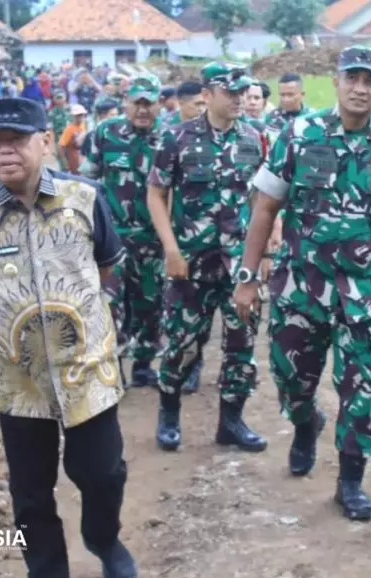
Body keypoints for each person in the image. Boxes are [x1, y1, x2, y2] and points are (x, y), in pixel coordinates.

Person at [0, 97, 137, 578]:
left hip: (87, 368)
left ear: (45, 142)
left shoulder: (85, 197)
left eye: (18, 140)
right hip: (17, 379)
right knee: (30, 489)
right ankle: (46, 570)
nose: (6, 151)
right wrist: (6, 317)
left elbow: (108, 264)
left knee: (103, 474)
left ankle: (104, 540)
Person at [234, 46, 371, 522]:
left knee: (362, 389)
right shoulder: (299, 134)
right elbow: (265, 208)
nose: (361, 88)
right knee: (290, 378)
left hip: (366, 292)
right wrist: (246, 276)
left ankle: (350, 481)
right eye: (352, 78)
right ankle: (306, 424)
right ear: (336, 83)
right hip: (301, 285)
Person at [147, 62, 266, 452]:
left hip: (238, 264)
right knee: (182, 343)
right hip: (191, 264)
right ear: (208, 94)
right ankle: (168, 412)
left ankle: (231, 422)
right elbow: (157, 194)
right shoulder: (176, 138)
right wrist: (170, 249)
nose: (237, 99)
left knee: (241, 344)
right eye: (229, 92)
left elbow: (262, 200)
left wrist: (263, 252)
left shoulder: (256, 138)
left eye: (242, 92)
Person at [86, 74, 166, 388]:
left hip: (153, 238)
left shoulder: (170, 137)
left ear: (159, 104)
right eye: (137, 103)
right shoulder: (106, 133)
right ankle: (113, 366)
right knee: (108, 303)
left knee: (150, 303)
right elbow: (88, 181)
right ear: (126, 103)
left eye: (149, 103)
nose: (143, 110)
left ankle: (144, 364)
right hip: (112, 238)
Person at [263, 72, 313, 141]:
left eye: (290, 95)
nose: (286, 99)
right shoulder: (271, 118)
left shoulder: (313, 117)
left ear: (302, 95)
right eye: (282, 95)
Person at [58, 104, 87, 174]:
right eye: (78, 115)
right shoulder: (69, 129)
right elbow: (61, 146)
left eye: (81, 115)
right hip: (73, 156)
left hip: (82, 154)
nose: (80, 117)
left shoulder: (83, 124)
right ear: (74, 116)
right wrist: (65, 162)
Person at [48, 89, 70, 169]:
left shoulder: (72, 109)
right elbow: (51, 130)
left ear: (65, 98)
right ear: (54, 100)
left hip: (72, 139)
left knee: (74, 163)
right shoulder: (52, 113)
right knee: (62, 162)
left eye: (61, 97)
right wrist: (52, 147)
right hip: (59, 139)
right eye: (58, 98)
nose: (60, 100)